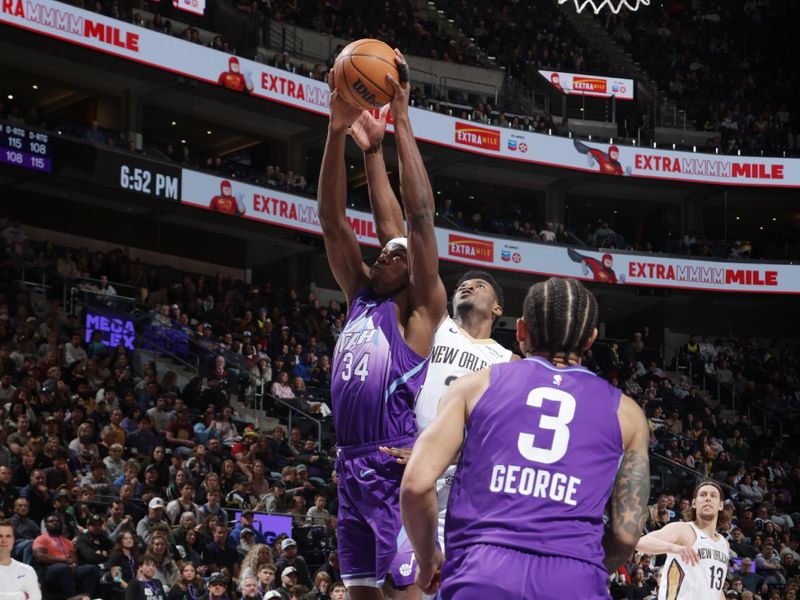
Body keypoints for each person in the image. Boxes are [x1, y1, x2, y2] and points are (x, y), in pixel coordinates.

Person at [401, 277, 650, 598]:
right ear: (591, 339)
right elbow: (627, 536)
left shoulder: (474, 387)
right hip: (572, 579)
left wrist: (428, 558)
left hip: (481, 570)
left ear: (521, 332)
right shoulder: (628, 414)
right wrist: (581, 567)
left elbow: (415, 484)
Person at [318, 49, 446, 598]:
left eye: (399, 255)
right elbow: (331, 219)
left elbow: (417, 218)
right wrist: (336, 131)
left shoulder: (419, 311)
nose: (388, 254)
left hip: (393, 469)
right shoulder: (360, 295)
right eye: (385, 253)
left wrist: (402, 118)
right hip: (349, 468)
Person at [636, 481, 731, 599]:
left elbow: (716, 590)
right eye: (703, 495)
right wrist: (675, 548)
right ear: (694, 503)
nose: (708, 498)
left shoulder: (724, 544)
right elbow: (641, 543)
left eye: (713, 495)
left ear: (721, 505)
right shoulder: (683, 529)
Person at [33, 513, 101, 598]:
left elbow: (74, 558)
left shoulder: (67, 541)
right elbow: (40, 556)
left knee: (92, 569)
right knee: (63, 568)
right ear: (46, 525)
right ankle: (72, 598)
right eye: (51, 521)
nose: (54, 523)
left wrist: (74, 564)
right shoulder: (41, 539)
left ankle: (86, 597)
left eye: (57, 521)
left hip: (68, 568)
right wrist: (64, 560)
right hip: (48, 570)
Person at [0, 519, 40, 600]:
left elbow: (36, 597)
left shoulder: (28, 570)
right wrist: (21, 595)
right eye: (0, 536)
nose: (4, 540)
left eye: (8, 536)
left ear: (13, 540)